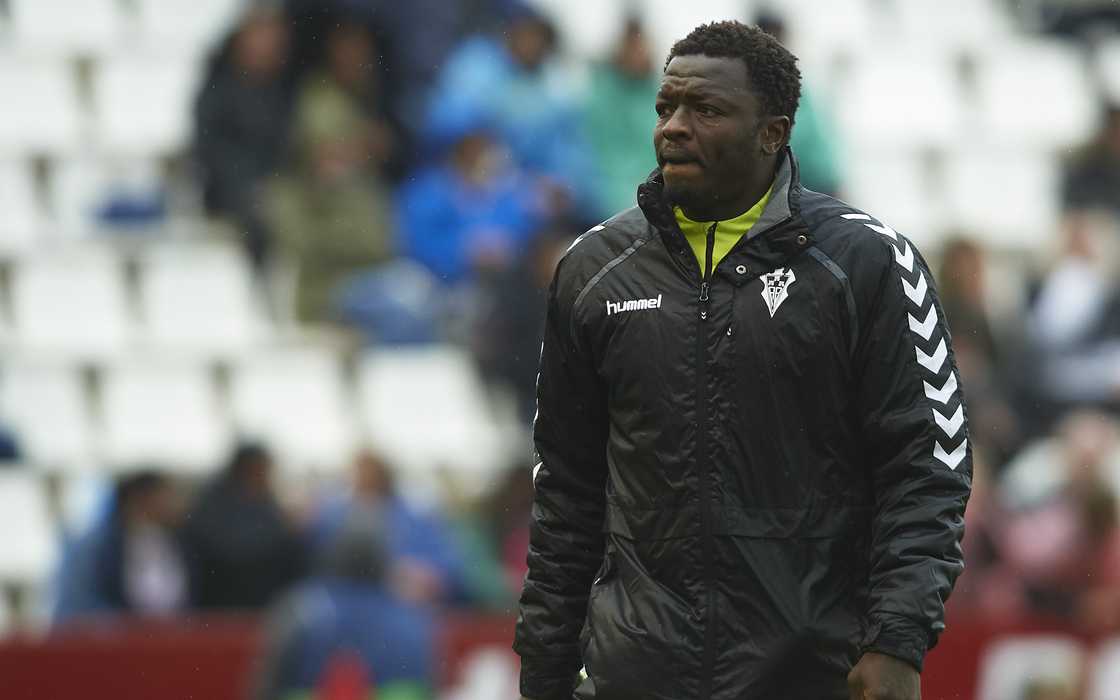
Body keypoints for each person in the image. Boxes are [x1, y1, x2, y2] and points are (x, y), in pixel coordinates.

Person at [514, 21, 971, 700]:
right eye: (666, 107)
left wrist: (897, 641)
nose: (673, 127)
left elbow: (926, 468)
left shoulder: (868, 264)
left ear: (772, 133)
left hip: (813, 674)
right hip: (632, 677)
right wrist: (545, 671)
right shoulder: (593, 271)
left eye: (706, 110)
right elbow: (567, 490)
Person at [194, 2, 293, 269]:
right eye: (261, 34)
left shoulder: (285, 89)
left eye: (274, 35)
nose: (268, 43)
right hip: (232, 191)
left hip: (280, 187)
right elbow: (209, 150)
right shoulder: (218, 89)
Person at [180, 443, 307, 610]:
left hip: (262, 601)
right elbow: (228, 548)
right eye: (263, 470)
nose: (266, 477)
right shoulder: (214, 501)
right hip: (223, 602)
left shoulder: (266, 501)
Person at [52, 470, 186, 623]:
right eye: (164, 497)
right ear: (140, 498)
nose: (173, 504)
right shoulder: (92, 548)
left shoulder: (181, 545)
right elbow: (77, 609)